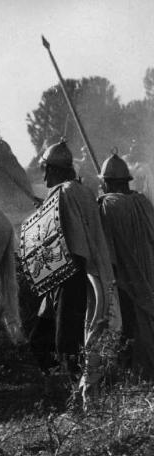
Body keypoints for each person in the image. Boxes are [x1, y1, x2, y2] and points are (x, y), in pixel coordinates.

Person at [27, 140, 121, 407]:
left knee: (65, 343)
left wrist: (47, 210)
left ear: (55, 170)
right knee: (43, 339)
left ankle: (74, 400)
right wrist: (45, 211)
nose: (43, 176)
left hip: (72, 276)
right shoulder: (80, 190)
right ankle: (60, 391)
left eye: (46, 170)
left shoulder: (64, 193)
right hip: (70, 277)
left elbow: (71, 242)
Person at [98, 153, 154, 378]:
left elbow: (105, 247)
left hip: (125, 277)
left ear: (105, 182)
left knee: (129, 324)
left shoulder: (106, 205)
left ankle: (136, 373)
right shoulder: (143, 202)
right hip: (149, 273)